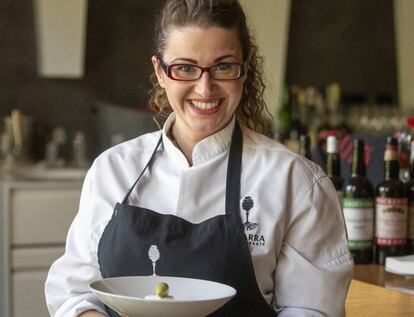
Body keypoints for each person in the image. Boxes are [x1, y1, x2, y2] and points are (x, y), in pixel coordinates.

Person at [45, 0, 353, 316]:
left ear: (244, 70)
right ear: (160, 72)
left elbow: (312, 309)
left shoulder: (295, 181)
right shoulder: (113, 170)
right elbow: (75, 292)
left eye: (223, 66)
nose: (205, 88)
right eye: (185, 68)